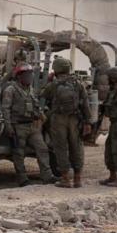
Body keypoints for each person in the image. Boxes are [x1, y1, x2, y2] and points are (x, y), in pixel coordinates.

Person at [40, 57, 91, 188]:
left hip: (58, 119)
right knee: (77, 146)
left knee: (61, 148)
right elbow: (85, 104)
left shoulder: (53, 85)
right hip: (75, 119)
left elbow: (42, 97)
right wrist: (87, 122)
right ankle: (78, 178)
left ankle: (65, 179)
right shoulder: (78, 84)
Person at [0, 63, 55, 186]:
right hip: (18, 126)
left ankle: (47, 176)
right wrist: (8, 126)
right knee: (19, 153)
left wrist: (41, 115)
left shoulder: (29, 90)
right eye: (27, 75)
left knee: (42, 148)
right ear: (19, 77)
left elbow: (35, 105)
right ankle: (22, 179)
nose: (29, 77)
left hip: (32, 126)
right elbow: (6, 109)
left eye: (30, 75)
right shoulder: (11, 90)